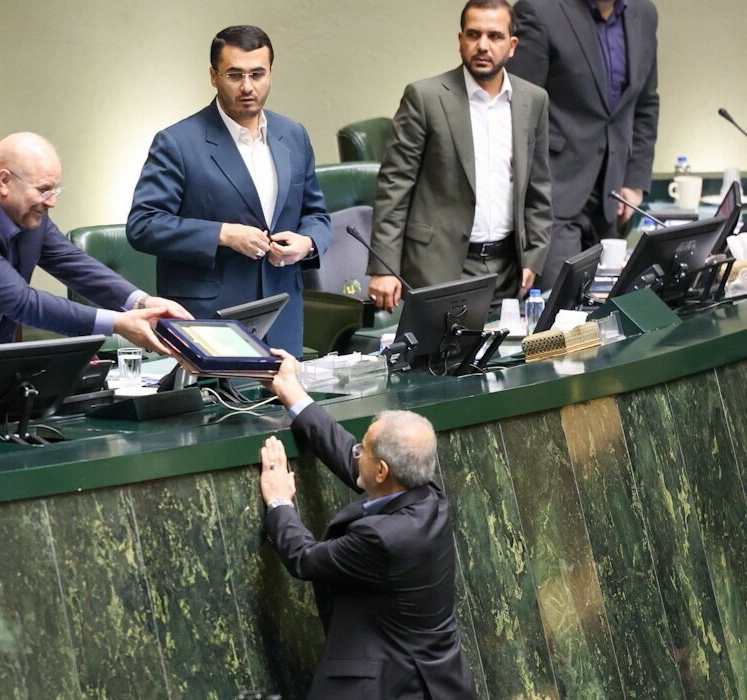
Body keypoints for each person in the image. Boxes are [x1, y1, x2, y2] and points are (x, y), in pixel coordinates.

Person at [0, 132, 192, 397]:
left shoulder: (26, 210)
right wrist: (117, 323)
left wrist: (142, 301)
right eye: (44, 190)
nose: (51, 201)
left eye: (54, 190)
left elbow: (72, 262)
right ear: (5, 181)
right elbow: (20, 302)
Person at [258, 349, 477, 699]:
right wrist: (291, 391)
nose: (357, 452)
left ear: (382, 471)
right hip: (440, 680)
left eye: (364, 450)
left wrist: (279, 501)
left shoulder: (383, 538)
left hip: (390, 688)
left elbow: (305, 559)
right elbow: (352, 461)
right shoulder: (427, 493)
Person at [127, 25, 332, 357]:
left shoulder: (294, 134)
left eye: (257, 74)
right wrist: (223, 234)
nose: (247, 86)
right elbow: (144, 224)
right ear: (214, 76)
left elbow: (316, 214)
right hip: (211, 316)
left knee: (287, 392)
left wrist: (307, 243)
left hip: (283, 311)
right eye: (235, 75)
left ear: (270, 74)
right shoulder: (177, 143)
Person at [367, 0, 551, 312]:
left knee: (506, 346)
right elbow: (395, 185)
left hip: (508, 269)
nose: (483, 46)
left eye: (494, 36)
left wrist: (534, 256)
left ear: (512, 46)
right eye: (473, 34)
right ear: (460, 40)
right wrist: (384, 266)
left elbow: (538, 185)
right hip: (437, 267)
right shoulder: (425, 97)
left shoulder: (533, 100)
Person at [509, 0, 659, 288]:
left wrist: (635, 180)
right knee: (560, 305)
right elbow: (519, 111)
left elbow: (645, 104)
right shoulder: (539, 11)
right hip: (554, 196)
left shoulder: (644, 13)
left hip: (612, 197)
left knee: (609, 307)